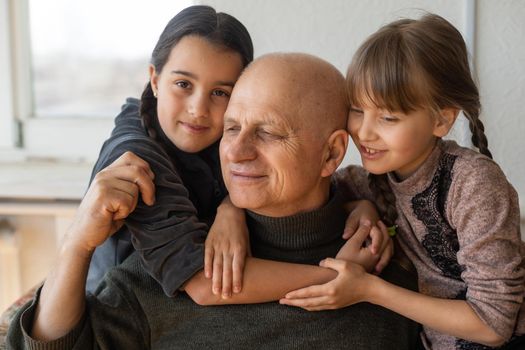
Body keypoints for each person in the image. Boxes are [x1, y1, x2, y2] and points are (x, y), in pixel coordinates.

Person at [7, 53, 419, 349]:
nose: (236, 152)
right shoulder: (164, 275)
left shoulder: (392, 280)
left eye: (269, 133)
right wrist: (77, 244)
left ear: (331, 154)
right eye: (232, 127)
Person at [87, 4, 389, 300]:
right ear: (154, 80)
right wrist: (342, 277)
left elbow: (295, 175)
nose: (198, 110)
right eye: (183, 84)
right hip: (115, 308)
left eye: (220, 93)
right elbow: (201, 282)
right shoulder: (135, 156)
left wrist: (355, 205)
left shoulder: (219, 137)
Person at [280, 14, 525, 349]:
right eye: (357, 109)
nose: (364, 132)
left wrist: (368, 289)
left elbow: (493, 325)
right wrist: (228, 215)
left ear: (441, 120)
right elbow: (297, 188)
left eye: (388, 117)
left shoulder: (474, 185)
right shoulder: (366, 181)